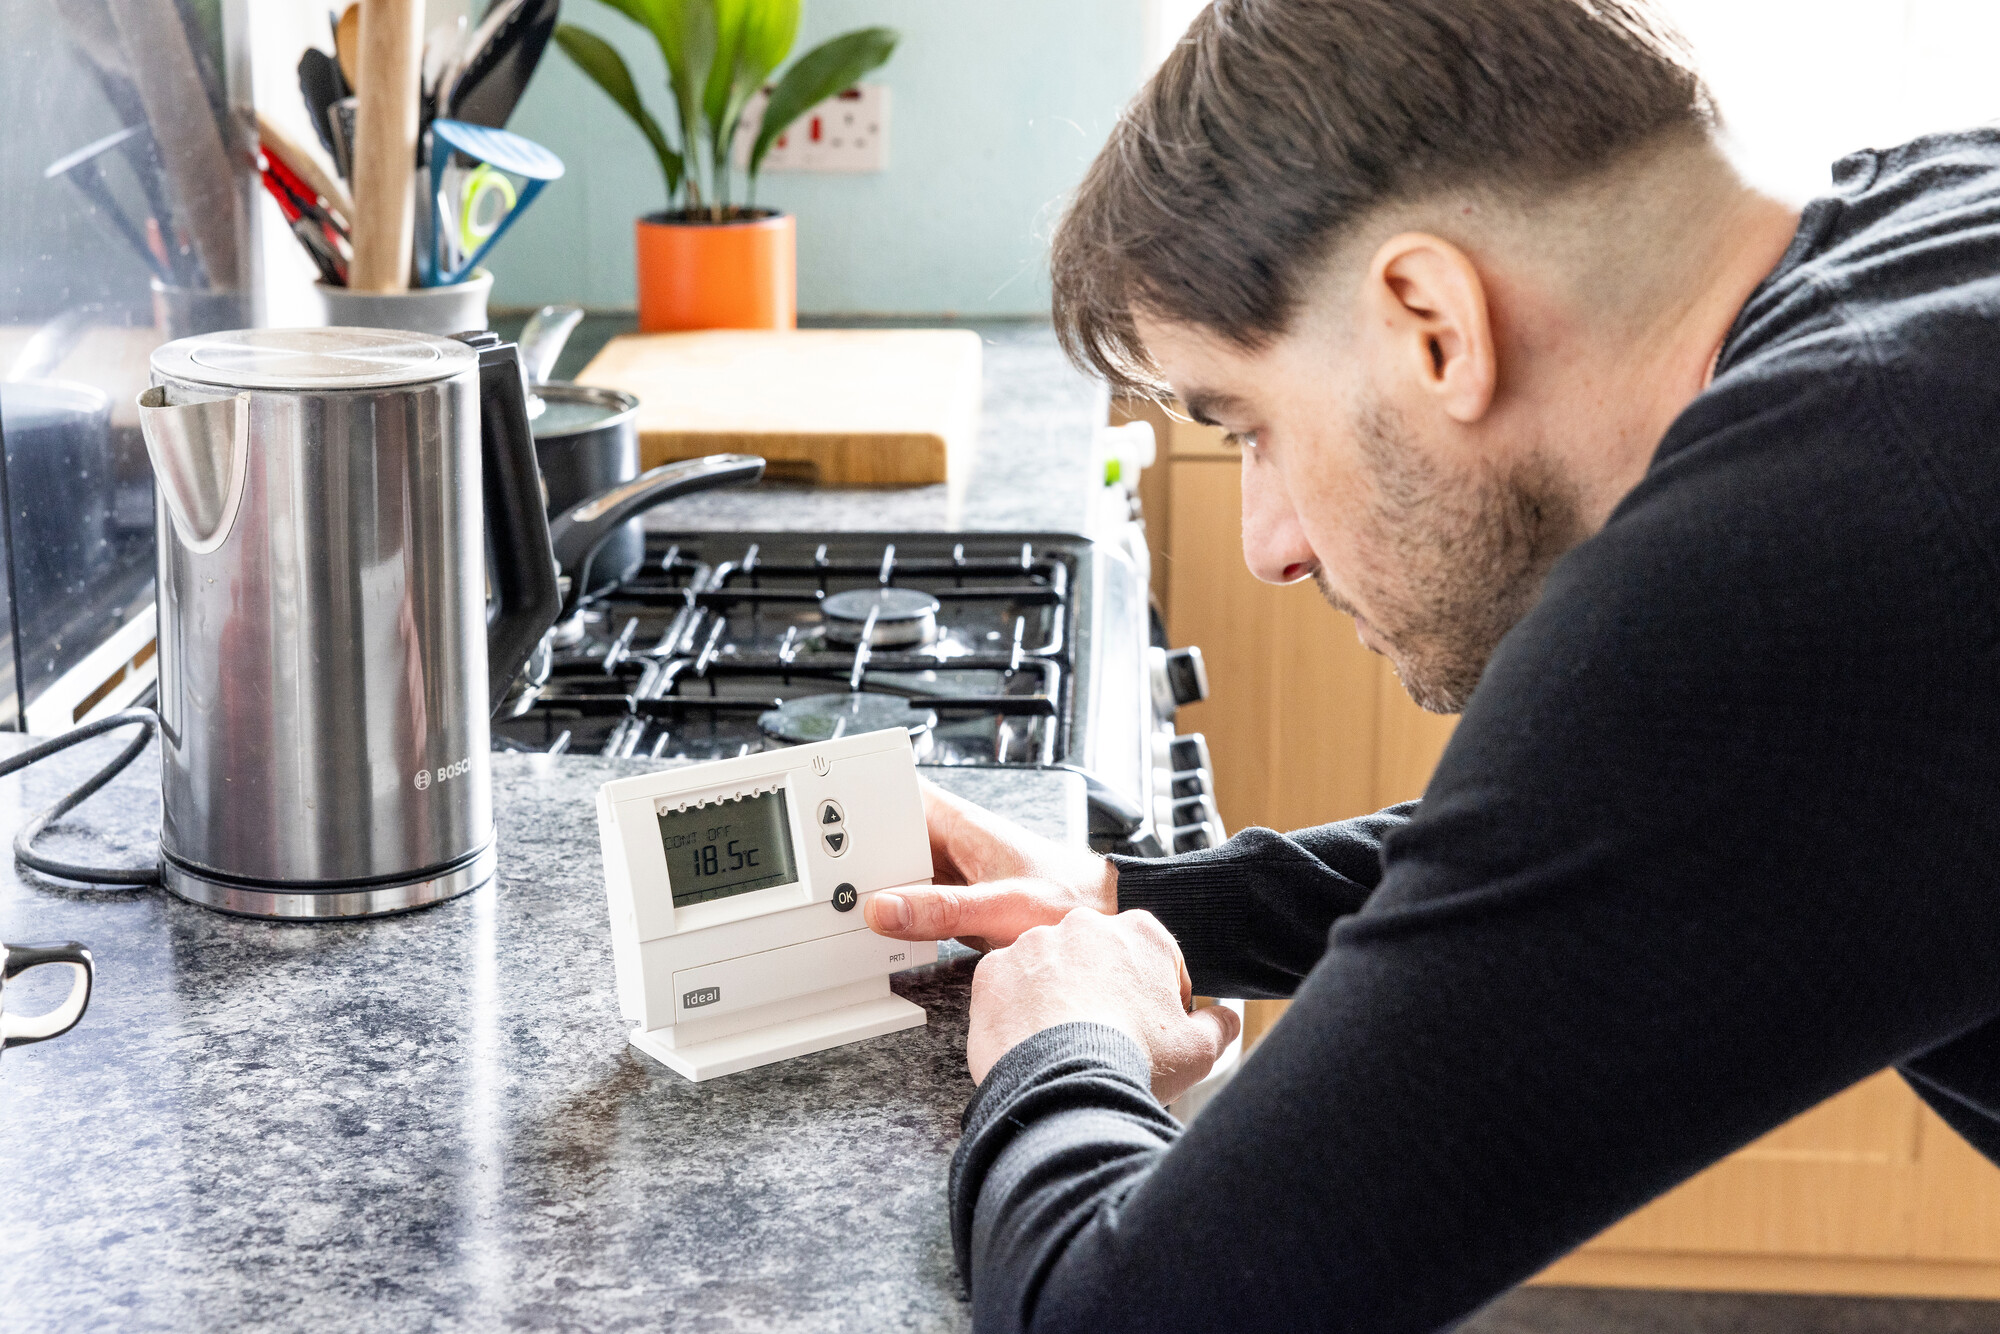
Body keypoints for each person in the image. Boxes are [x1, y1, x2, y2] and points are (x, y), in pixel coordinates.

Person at [858, 0, 2000, 1329]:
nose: (1269, 543)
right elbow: (1608, 828)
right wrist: (1126, 889)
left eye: (1250, 428)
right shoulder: (1923, 233)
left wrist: (1061, 1042)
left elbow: (1132, 1314)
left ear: (1432, 322)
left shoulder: (1789, 576)